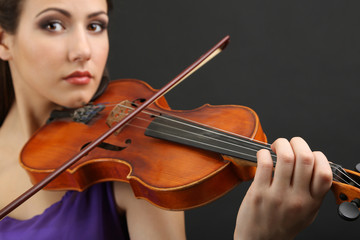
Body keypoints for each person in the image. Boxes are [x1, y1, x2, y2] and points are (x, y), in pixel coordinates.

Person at [0, 0, 333, 239]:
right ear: (4, 39)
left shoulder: (138, 177)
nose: (83, 49)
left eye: (95, 25)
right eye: (53, 24)